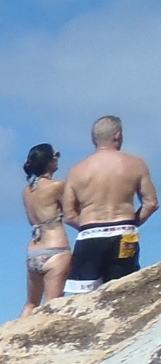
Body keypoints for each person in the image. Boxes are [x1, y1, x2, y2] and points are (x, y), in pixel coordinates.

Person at [62, 116, 156, 294]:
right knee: (123, 292)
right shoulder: (136, 164)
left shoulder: (76, 171)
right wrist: (132, 223)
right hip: (124, 234)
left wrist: (87, 226)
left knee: (84, 296)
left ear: (93, 139)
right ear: (118, 136)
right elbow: (151, 203)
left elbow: (69, 215)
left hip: (90, 234)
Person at [20, 143, 71, 314]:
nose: (57, 159)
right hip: (55, 247)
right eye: (56, 156)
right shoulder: (57, 186)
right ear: (49, 162)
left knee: (31, 304)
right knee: (52, 305)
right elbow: (72, 211)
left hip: (34, 249)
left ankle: (17, 335)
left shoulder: (26, 191)